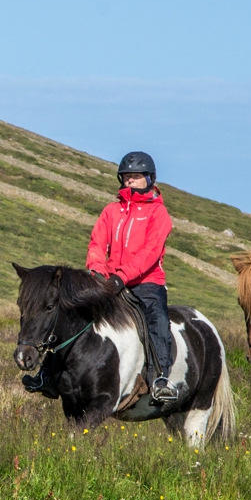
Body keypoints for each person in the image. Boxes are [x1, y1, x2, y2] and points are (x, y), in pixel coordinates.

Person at [86, 151, 178, 402]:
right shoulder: (111, 210)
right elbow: (97, 243)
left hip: (146, 283)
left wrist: (122, 277)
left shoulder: (158, 214)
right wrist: (97, 271)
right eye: (126, 177)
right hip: (110, 280)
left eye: (136, 177)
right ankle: (51, 374)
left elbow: (151, 252)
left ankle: (160, 378)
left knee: (156, 320)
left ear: (149, 179)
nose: (130, 182)